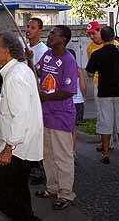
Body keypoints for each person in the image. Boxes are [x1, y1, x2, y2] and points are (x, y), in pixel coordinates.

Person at [0, 31, 43, 221]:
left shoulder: (15, 76)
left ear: (7, 51)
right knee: (18, 189)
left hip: (17, 147)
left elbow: (20, 116)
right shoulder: (18, 71)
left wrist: (8, 148)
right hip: (21, 144)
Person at [36, 25, 78, 210]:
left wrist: (45, 97)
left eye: (53, 33)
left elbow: (68, 91)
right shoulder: (47, 56)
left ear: (63, 39)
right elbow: (37, 71)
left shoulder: (68, 61)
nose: (49, 35)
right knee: (47, 154)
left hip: (61, 116)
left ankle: (66, 193)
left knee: (62, 156)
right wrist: (29, 61)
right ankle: (52, 188)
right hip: (45, 114)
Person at [86, 26, 119, 166]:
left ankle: (105, 154)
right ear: (113, 36)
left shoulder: (97, 53)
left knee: (105, 122)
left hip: (104, 92)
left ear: (102, 37)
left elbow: (89, 73)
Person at [67, 48, 86, 155]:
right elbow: (83, 89)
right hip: (74, 102)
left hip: (72, 103)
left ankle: (69, 151)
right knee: (71, 130)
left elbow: (84, 91)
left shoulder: (74, 70)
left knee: (69, 130)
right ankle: (71, 151)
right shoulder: (76, 70)